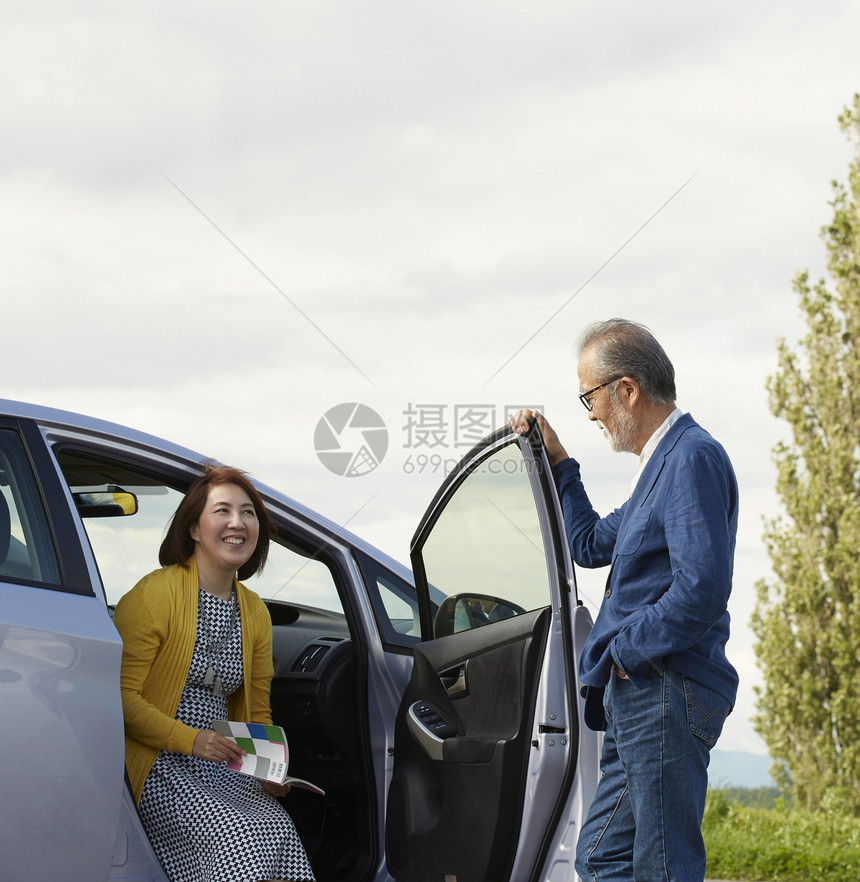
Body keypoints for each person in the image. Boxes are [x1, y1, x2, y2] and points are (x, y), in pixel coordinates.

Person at [510, 319, 738, 882]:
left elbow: (701, 588)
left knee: (661, 867)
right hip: (643, 695)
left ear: (627, 390)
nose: (589, 413)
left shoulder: (690, 458)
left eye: (589, 396)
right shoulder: (656, 472)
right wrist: (558, 459)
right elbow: (588, 544)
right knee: (602, 858)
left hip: (664, 687)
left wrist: (624, 651)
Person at [113, 465, 315, 882]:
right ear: (193, 528)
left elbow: (257, 710)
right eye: (222, 511)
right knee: (235, 833)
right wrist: (192, 740)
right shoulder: (153, 595)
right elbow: (120, 698)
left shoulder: (254, 611)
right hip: (160, 760)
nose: (237, 523)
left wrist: (270, 772)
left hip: (223, 760)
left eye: (248, 512)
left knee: (279, 828)